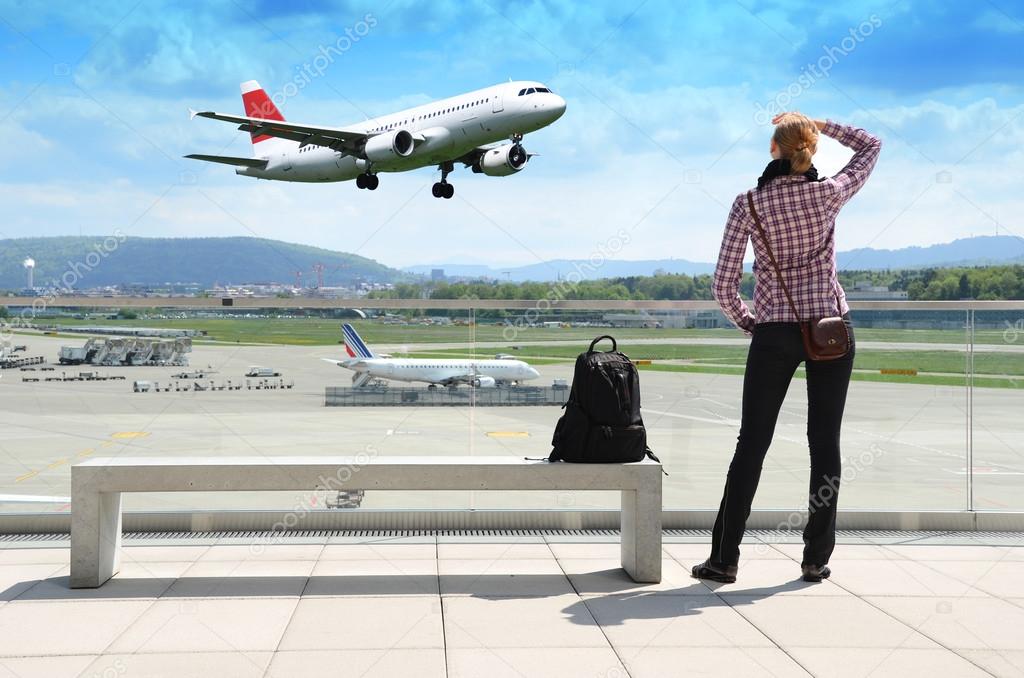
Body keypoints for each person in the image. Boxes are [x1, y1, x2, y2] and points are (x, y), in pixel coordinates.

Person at [692, 112, 881, 584]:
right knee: (825, 444)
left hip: (774, 330)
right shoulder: (828, 193)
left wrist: (751, 324)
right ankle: (816, 559)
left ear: (774, 150)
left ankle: (724, 559)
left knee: (752, 443)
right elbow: (871, 146)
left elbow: (722, 284)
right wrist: (822, 124)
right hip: (830, 329)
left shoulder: (748, 204)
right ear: (811, 150)